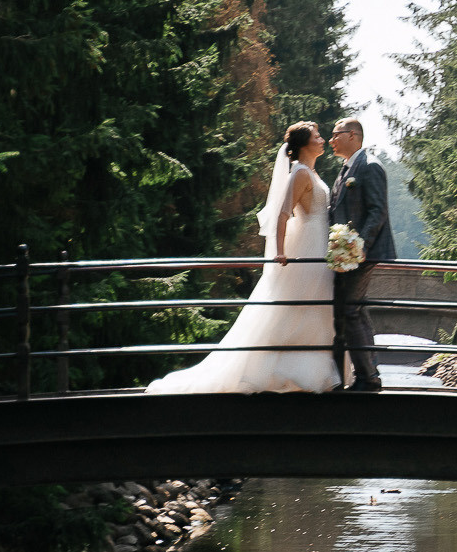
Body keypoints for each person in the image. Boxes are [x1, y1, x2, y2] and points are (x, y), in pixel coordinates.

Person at [142, 122, 336, 394]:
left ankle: (310, 369)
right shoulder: (301, 173)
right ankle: (280, 369)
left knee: (315, 307)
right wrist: (280, 250)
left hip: (318, 243)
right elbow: (282, 214)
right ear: (305, 144)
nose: (323, 140)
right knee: (297, 306)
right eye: (317, 136)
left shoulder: (312, 172)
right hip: (308, 245)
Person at [326, 117, 397, 392]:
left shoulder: (369, 166)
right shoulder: (347, 168)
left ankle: (367, 378)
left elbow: (377, 211)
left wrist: (360, 247)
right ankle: (368, 373)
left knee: (351, 311)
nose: (332, 140)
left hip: (362, 254)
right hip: (347, 254)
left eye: (336, 134)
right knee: (354, 311)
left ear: (353, 135)